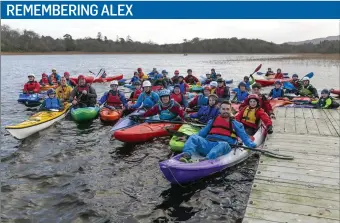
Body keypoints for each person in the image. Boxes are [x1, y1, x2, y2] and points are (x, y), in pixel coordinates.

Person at [180, 101, 257, 162]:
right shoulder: (212, 121)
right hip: (209, 143)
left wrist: (252, 145)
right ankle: (186, 155)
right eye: (223, 109)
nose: (225, 111)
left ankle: (207, 160)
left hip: (225, 146)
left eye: (227, 109)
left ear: (230, 110)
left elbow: (245, 137)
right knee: (194, 137)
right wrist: (188, 138)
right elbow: (202, 133)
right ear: (220, 110)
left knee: (222, 144)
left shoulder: (236, 124)